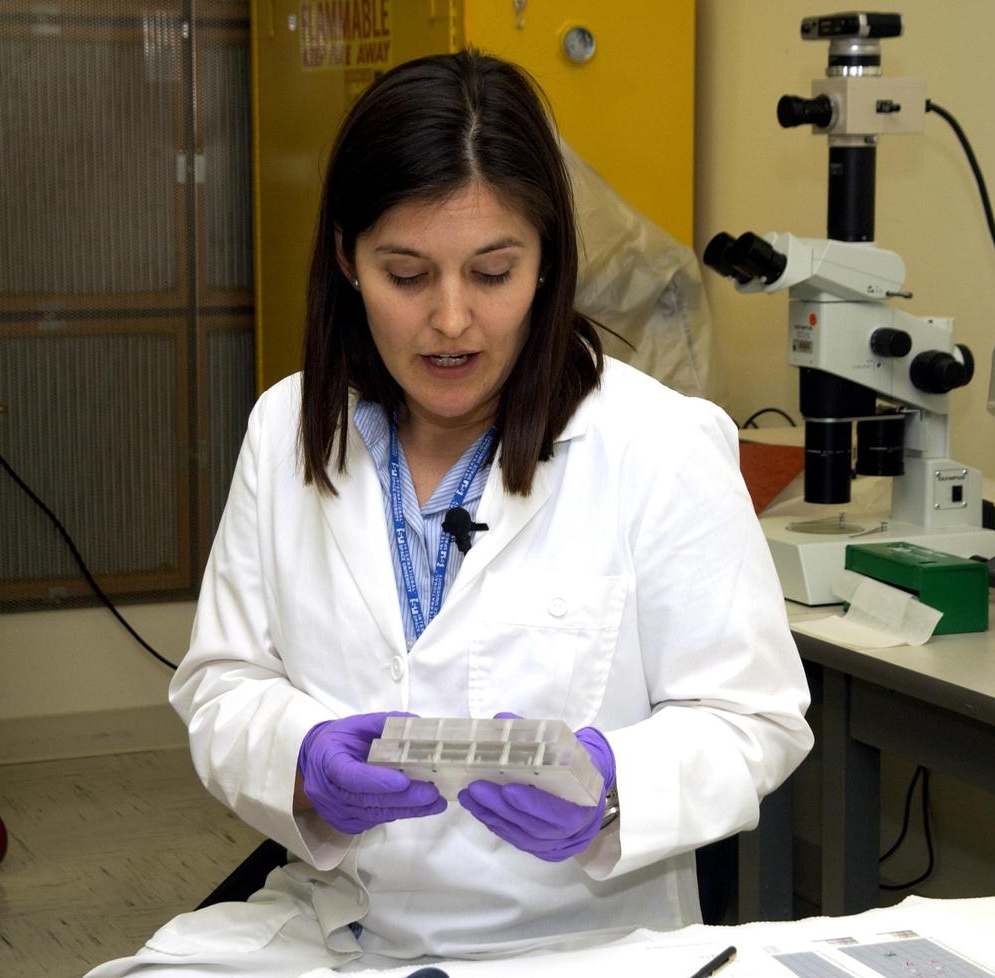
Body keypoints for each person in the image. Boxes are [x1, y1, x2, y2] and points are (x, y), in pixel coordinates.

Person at [86, 49, 812, 977]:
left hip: (580, 946)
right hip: (335, 928)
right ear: (347, 258)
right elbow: (222, 681)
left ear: (547, 262)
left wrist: (618, 786)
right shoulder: (287, 428)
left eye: (493, 272)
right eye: (408, 274)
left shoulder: (657, 444)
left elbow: (756, 717)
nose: (453, 320)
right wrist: (302, 758)